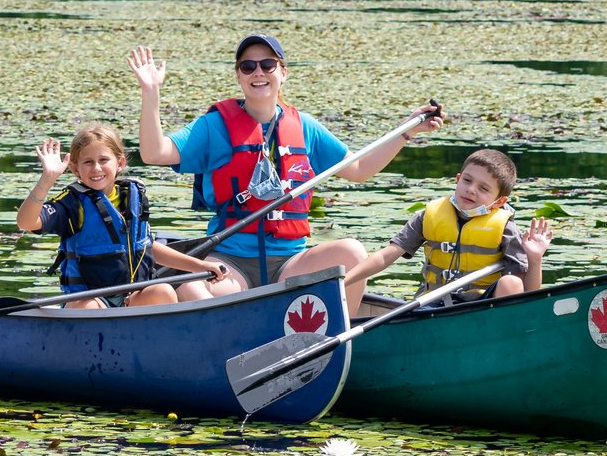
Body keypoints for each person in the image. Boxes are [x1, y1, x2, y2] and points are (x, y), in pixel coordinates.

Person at [131, 35, 442, 311]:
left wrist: (406, 131)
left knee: (352, 251)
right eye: (248, 66)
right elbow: (154, 152)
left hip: (290, 264)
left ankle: (343, 341)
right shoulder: (214, 127)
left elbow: (359, 169)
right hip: (230, 262)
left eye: (268, 64)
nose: (258, 73)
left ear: (283, 72)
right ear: (239, 75)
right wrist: (151, 92)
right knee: (191, 287)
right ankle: (226, 347)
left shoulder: (305, 127)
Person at [16, 124, 229, 308]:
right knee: (89, 307)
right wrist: (47, 180)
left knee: (162, 292)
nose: (96, 168)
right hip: (89, 300)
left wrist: (201, 266)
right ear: (75, 168)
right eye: (88, 162)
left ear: (120, 163)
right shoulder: (71, 204)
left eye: (103, 160)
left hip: (132, 297)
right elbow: (26, 222)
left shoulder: (132, 196)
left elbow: (146, 246)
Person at [342, 148, 553, 308]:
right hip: (434, 303)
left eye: (483, 188)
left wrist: (534, 259)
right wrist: (343, 283)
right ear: (458, 179)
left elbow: (528, 293)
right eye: (467, 181)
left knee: (511, 283)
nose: (471, 190)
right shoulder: (430, 215)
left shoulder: (505, 227)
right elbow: (385, 257)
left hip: (482, 307)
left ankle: (501, 343)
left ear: (499, 201)